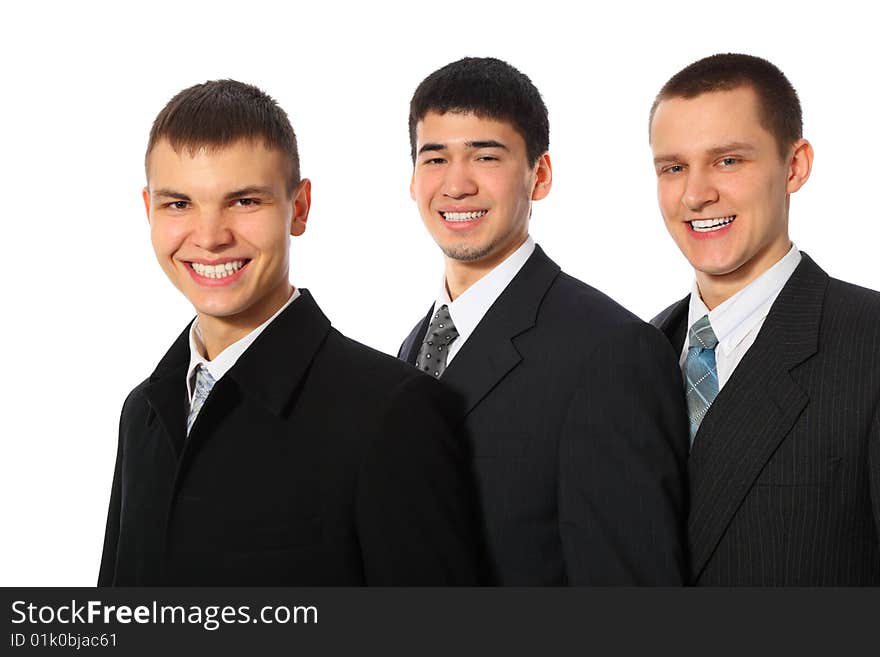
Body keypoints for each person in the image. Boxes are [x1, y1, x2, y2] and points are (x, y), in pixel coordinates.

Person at [98, 79, 482, 586]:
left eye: (244, 202)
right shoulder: (142, 412)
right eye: (178, 205)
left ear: (298, 208)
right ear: (148, 209)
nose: (210, 237)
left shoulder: (392, 412)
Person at [399, 57, 689, 585]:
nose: (456, 184)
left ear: (541, 175)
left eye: (486, 156)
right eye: (434, 159)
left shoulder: (611, 352)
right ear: (412, 179)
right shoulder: (415, 346)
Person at [649, 53, 880, 585]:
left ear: (794, 165)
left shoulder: (868, 346)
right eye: (673, 167)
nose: (696, 193)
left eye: (728, 161)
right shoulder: (637, 352)